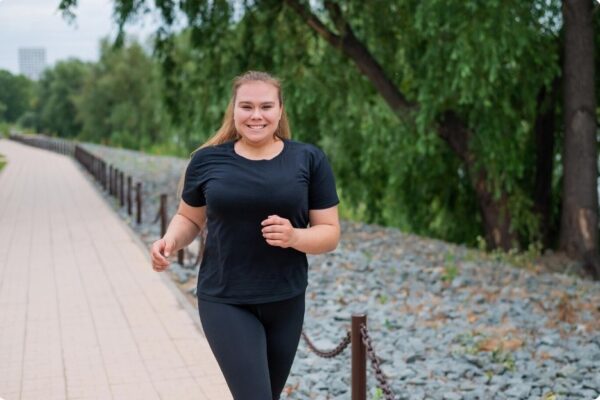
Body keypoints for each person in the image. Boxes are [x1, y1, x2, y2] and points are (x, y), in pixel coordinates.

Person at [150, 70, 340, 399]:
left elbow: (330, 232)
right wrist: (170, 241)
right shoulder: (207, 161)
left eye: (266, 106)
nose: (256, 115)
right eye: (247, 106)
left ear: (280, 110)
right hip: (225, 299)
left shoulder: (309, 159)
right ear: (234, 109)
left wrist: (294, 237)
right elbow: (189, 218)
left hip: (286, 299)